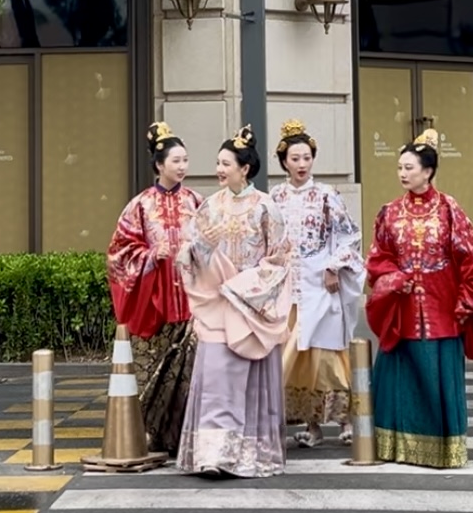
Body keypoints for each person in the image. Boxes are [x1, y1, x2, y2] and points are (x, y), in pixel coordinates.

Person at [365, 129, 473, 470]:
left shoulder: (449, 210)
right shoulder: (390, 212)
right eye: (400, 167)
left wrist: (468, 301)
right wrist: (394, 279)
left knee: (437, 378)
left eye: (409, 167)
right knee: (400, 379)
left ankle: (443, 451)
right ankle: (395, 446)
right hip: (402, 309)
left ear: (428, 171)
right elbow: (379, 257)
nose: (402, 173)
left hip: (442, 309)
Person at [176, 124, 292, 479]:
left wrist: (246, 287)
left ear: (245, 168)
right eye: (218, 163)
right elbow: (188, 253)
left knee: (249, 382)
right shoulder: (210, 206)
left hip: (250, 304)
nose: (219, 170)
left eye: (226, 164)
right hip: (217, 303)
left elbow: (280, 259)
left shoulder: (266, 207)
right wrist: (201, 247)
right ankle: (212, 455)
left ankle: (247, 454)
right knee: (215, 377)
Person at [106, 122, 202, 455]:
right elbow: (118, 252)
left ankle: (183, 432)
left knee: (188, 369)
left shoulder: (197, 202)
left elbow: (212, 244)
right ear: (159, 164)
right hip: (155, 300)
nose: (182, 166)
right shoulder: (140, 205)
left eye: (185, 160)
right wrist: (148, 255)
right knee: (154, 368)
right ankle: (149, 430)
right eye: (176, 161)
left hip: (191, 299)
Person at [270, 118, 364, 447]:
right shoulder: (275, 197)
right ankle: (311, 426)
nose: (302, 164)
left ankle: (345, 420)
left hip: (320, 284)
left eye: (307, 158)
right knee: (295, 356)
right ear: (284, 161)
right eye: (295, 158)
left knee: (327, 353)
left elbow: (349, 236)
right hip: (288, 286)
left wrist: (334, 267)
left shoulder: (326, 195)